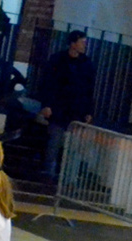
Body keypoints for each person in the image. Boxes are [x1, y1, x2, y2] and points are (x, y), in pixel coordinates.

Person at [38, 30, 95, 179]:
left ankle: (64, 176)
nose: (84, 45)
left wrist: (88, 110)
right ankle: (58, 175)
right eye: (82, 42)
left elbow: (89, 89)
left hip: (72, 109)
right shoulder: (64, 61)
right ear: (73, 43)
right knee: (57, 142)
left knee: (66, 144)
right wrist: (47, 104)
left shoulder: (81, 63)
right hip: (62, 107)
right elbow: (48, 83)